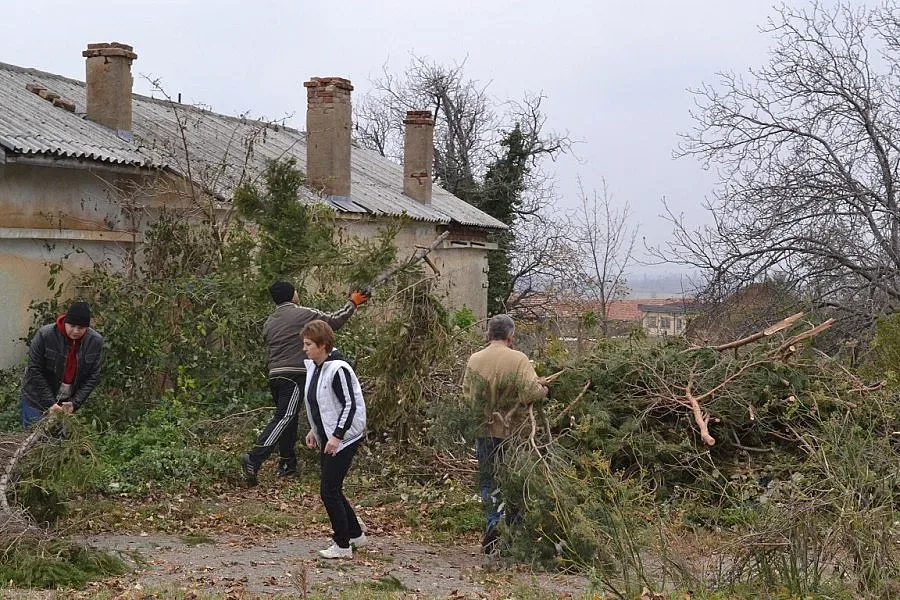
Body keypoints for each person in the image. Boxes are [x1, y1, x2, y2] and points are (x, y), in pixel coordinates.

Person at [240, 281, 369, 485]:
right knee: (285, 417)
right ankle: (254, 458)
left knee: (287, 421)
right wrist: (353, 303)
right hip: (293, 375)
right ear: (293, 295)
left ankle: (287, 464)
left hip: (275, 375)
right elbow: (332, 322)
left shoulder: (270, 321)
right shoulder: (302, 313)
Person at [461, 314, 547, 554]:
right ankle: (511, 535)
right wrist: (543, 389)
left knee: (489, 481)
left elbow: (467, 396)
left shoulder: (475, 359)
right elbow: (530, 392)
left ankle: (493, 524)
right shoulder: (519, 359)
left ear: (488, 335)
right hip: (514, 434)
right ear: (511, 336)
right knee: (516, 483)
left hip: (484, 431)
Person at [301, 319, 367, 559]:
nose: (305, 349)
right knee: (333, 488)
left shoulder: (338, 368)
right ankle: (355, 533)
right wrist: (314, 429)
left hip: (344, 437)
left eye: (309, 344)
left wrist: (337, 436)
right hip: (328, 435)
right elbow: (321, 403)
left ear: (323, 345)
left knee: (328, 491)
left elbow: (349, 404)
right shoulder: (316, 367)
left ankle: (342, 544)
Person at [20, 301, 104, 428]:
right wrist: (50, 403)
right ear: (65, 321)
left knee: (57, 441)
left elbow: (93, 376)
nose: (75, 331)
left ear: (87, 328)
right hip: (36, 398)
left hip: (65, 402)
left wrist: (75, 403)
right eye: (72, 326)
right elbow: (34, 369)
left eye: (81, 328)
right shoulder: (45, 335)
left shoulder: (95, 341)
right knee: (34, 439)